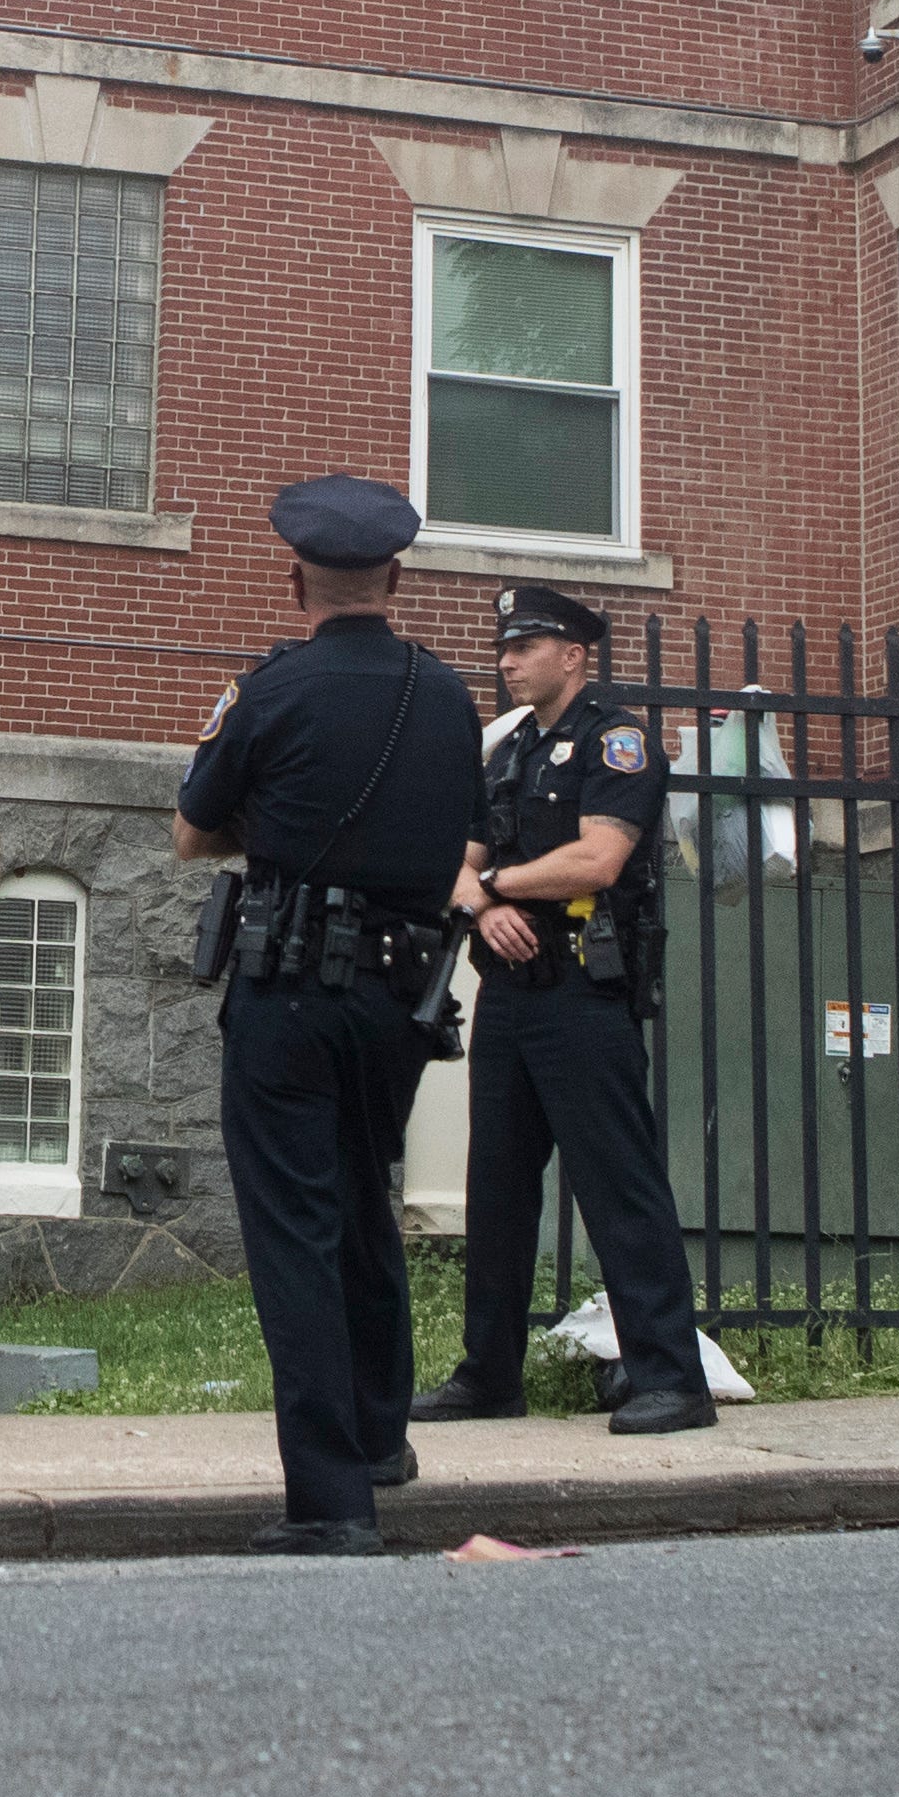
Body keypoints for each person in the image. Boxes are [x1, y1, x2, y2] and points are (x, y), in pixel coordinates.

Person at [174, 476, 485, 1553]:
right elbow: (458, 840)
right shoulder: (449, 698)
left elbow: (191, 834)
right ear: (395, 578)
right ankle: (380, 1435)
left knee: (297, 1230)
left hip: (291, 995)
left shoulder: (272, 691)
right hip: (399, 997)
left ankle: (330, 1499)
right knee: (366, 1202)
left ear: (293, 577)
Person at [415, 583, 716, 1435]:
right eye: (504, 648)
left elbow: (598, 859)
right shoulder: (508, 753)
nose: (507, 661)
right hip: (509, 995)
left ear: (574, 655)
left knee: (620, 1186)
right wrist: (481, 906)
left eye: (526, 647)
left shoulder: (613, 741)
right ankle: (489, 1375)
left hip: (585, 993)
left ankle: (671, 1377)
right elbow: (453, 859)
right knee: (498, 1191)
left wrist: (498, 885)